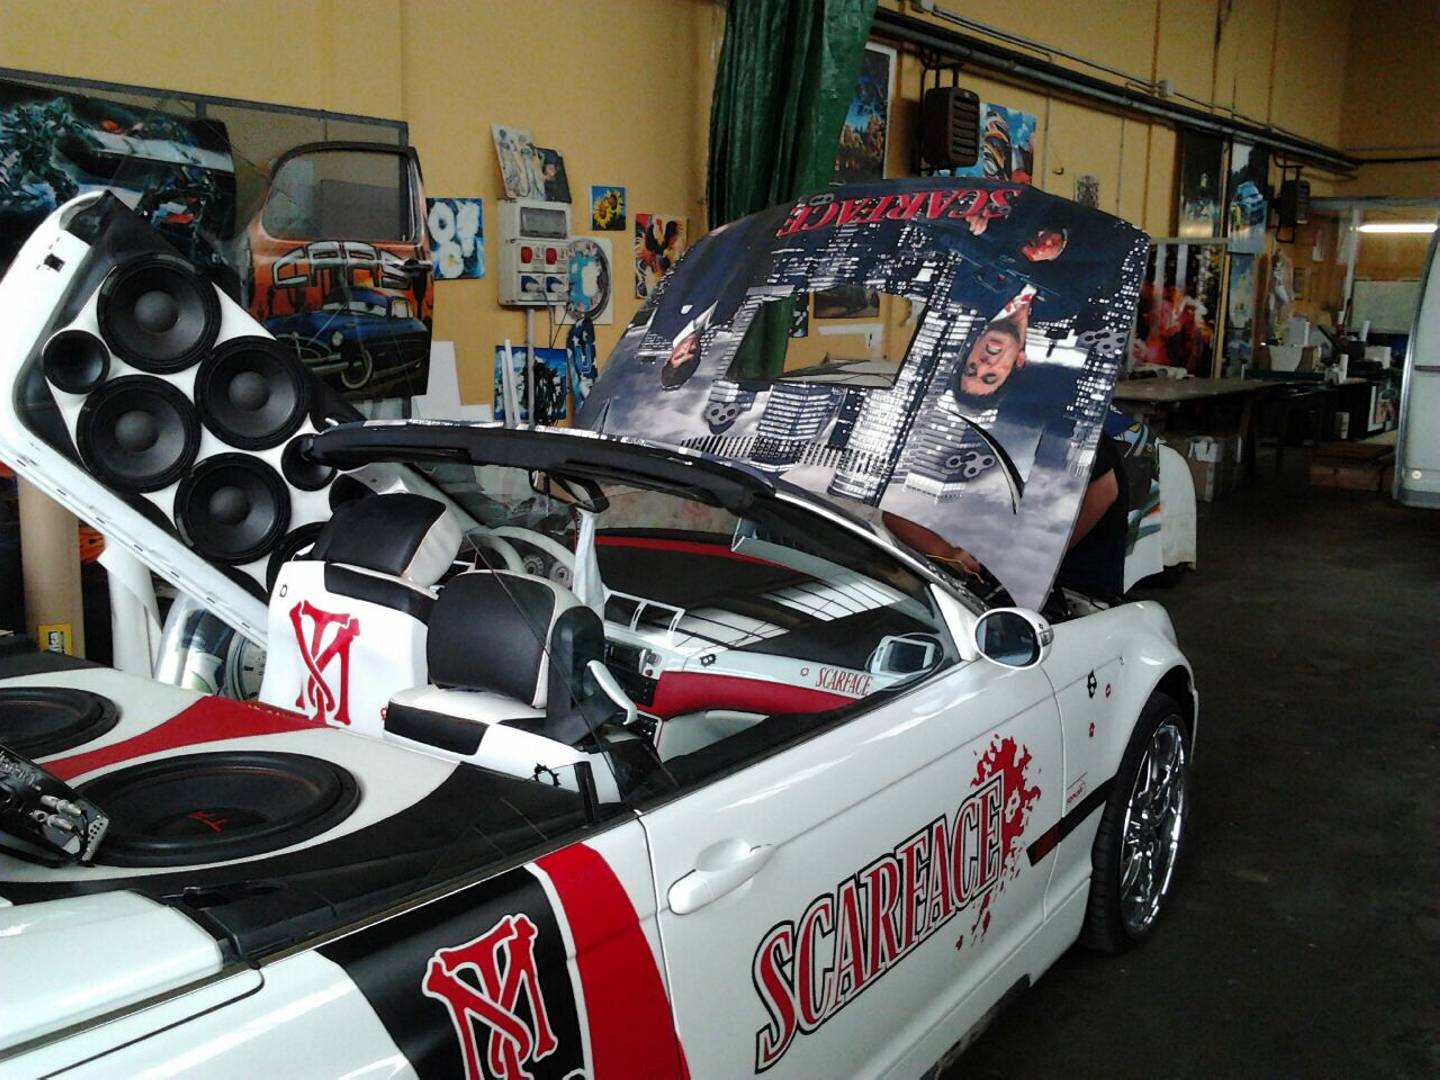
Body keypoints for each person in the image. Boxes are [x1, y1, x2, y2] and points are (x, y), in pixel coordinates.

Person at [882, 432, 1129, 602]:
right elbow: (897, 512)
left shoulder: (1067, 423)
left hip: (1073, 590)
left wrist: (1031, 559)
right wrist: (946, 552)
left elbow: (1103, 490)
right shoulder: (948, 429)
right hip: (972, 588)